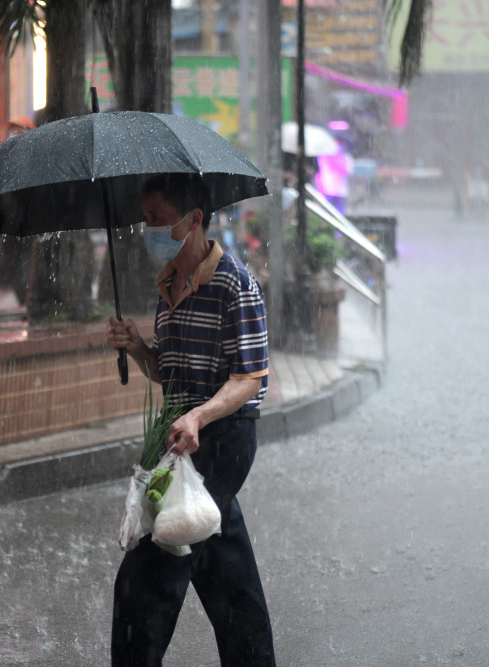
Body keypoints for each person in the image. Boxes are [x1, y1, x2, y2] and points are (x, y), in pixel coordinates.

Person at [105, 174, 276, 666]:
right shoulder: (167, 283)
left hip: (221, 441)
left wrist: (200, 417)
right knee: (226, 570)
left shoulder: (234, 284)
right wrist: (136, 347)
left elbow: (249, 378)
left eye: (157, 218)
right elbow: (169, 371)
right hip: (182, 437)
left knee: (148, 575)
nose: (148, 228)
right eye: (146, 219)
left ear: (193, 219)